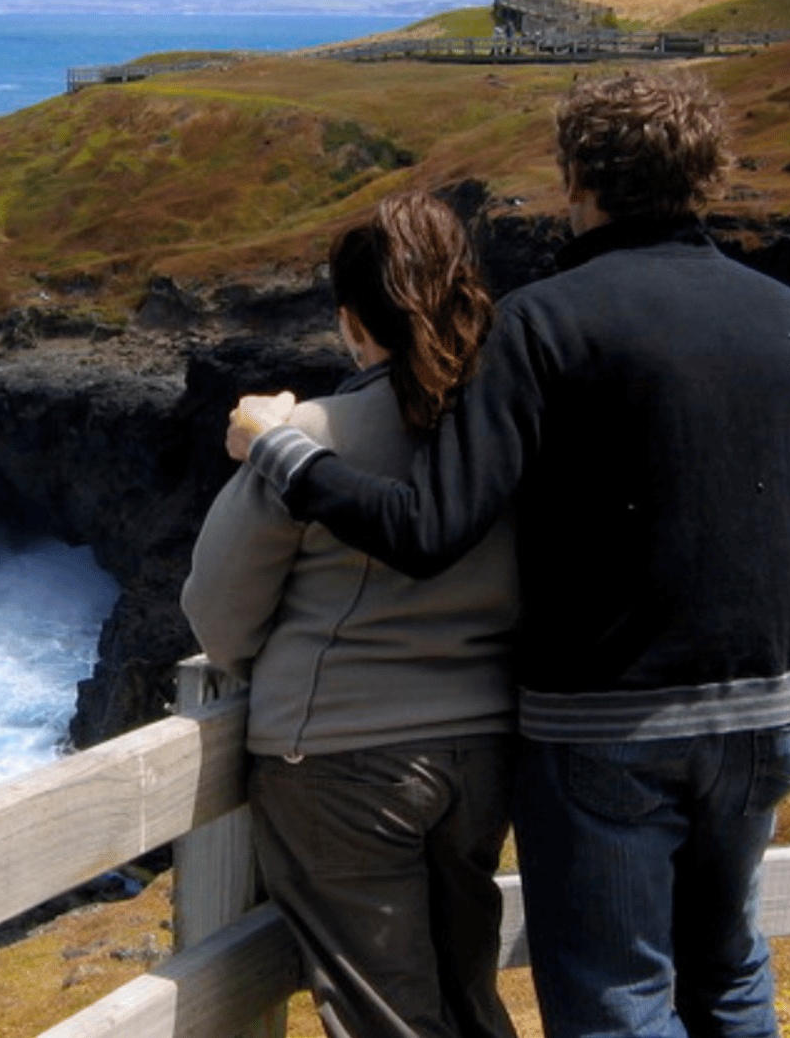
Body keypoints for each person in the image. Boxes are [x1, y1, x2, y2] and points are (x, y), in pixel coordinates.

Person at [227, 70, 790, 1038]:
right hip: (769, 706)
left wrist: (280, 450)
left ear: (576, 175)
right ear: (707, 172)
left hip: (610, 719)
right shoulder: (785, 314)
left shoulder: (544, 322)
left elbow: (428, 528)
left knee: (618, 1000)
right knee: (727, 968)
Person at [184, 189, 520, 1038]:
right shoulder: (505, 431)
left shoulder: (308, 436)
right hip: (484, 752)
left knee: (388, 1017)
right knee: (469, 996)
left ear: (351, 321)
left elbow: (218, 615)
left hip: (339, 761)